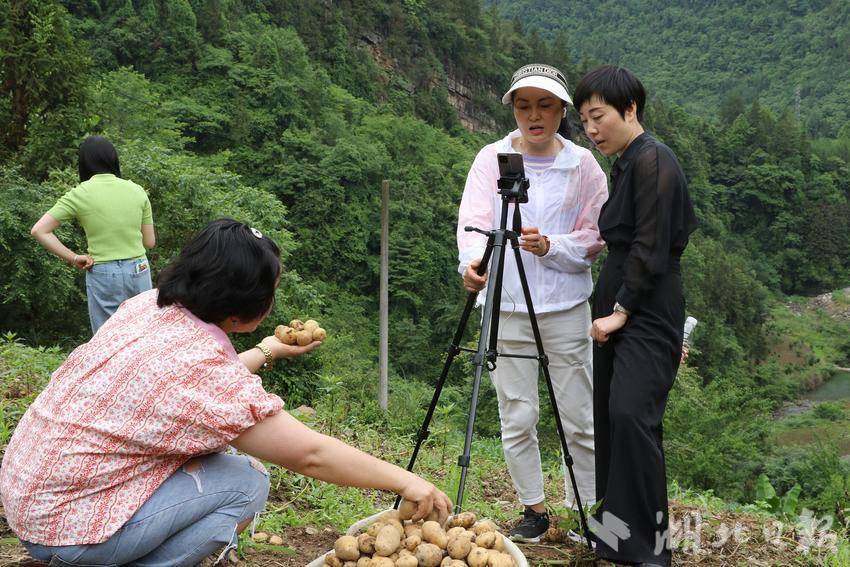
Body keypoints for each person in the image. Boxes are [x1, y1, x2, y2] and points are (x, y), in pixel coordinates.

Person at [0, 219, 451, 567]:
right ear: (248, 307)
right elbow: (309, 454)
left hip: (32, 501)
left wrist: (265, 351)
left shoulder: (146, 306)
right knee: (245, 480)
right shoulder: (205, 369)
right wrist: (407, 480)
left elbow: (186, 386)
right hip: (69, 531)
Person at [457, 63, 608, 542]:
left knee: (579, 416)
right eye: (523, 105)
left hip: (564, 307)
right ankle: (534, 510)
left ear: (563, 110)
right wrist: (472, 264)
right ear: (513, 109)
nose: (534, 115)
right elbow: (473, 221)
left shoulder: (583, 165)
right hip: (506, 305)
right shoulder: (491, 156)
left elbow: (596, 234)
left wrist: (552, 246)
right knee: (517, 413)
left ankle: (586, 511)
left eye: (545, 104)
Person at [574, 65, 698, 567]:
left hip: (645, 307)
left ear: (631, 110)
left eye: (598, 116)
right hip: (620, 299)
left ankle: (649, 551)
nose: (591, 129)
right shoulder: (625, 162)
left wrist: (621, 311)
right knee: (612, 418)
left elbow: (652, 248)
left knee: (631, 415)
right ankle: (617, 538)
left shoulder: (654, 161)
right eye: (583, 120)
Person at [30, 136, 156, 335]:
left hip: (103, 272)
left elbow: (39, 230)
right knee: (142, 334)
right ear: (113, 159)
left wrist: (74, 258)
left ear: (84, 163)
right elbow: (149, 242)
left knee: (106, 338)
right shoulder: (137, 190)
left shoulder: (79, 194)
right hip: (138, 268)